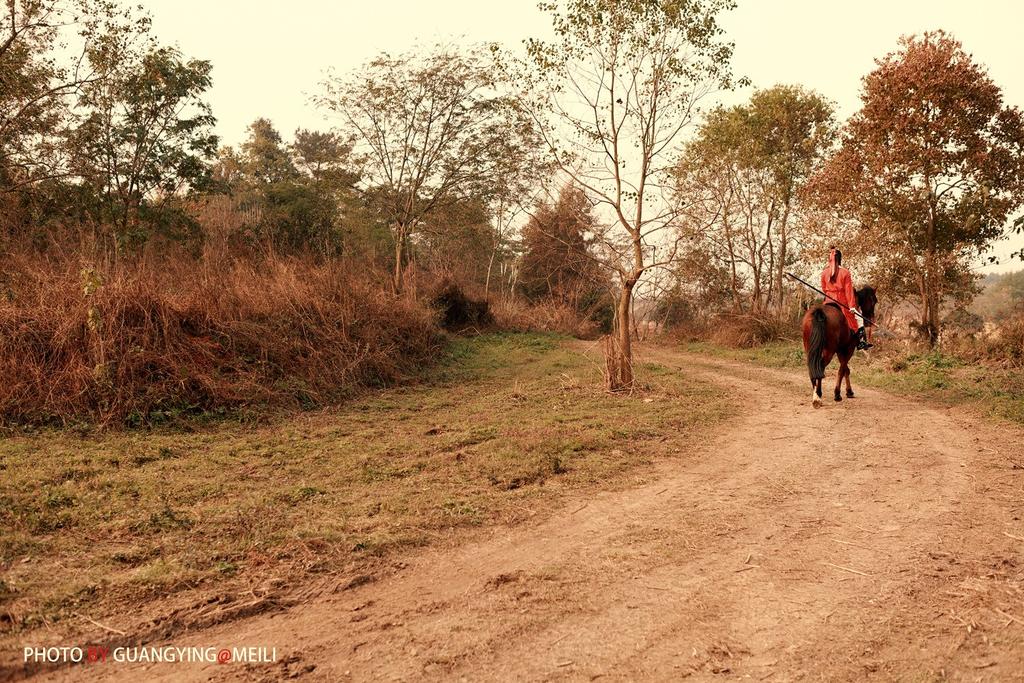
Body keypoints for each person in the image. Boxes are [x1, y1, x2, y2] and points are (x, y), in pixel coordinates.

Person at [820, 247, 872, 351]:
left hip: (828, 300)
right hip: (842, 301)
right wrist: (852, 307)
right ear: (840, 259)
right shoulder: (845, 272)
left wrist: (830, 295)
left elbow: (824, 289)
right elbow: (848, 291)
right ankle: (861, 342)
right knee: (859, 318)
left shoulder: (824, 273)